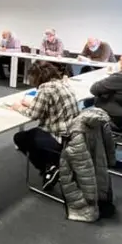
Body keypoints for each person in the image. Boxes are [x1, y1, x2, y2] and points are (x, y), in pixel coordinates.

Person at [12, 61, 80, 189]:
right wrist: (31, 103)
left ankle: (50, 168)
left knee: (20, 138)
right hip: (74, 135)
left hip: (59, 138)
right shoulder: (63, 84)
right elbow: (51, 106)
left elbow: (33, 115)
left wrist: (18, 107)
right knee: (32, 135)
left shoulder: (45, 89)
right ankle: (51, 166)